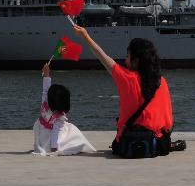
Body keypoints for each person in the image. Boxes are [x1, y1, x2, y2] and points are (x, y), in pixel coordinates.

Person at [71, 24, 183, 156]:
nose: (125, 60)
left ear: (136, 61)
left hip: (128, 144)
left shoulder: (126, 78)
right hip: (158, 145)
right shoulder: (161, 81)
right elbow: (169, 123)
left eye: (128, 56)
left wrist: (86, 36)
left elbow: (103, 57)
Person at [31, 62, 96, 156]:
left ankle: (42, 145)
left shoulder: (45, 104)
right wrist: (54, 149)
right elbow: (55, 133)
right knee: (72, 131)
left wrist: (46, 75)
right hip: (49, 140)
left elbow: (45, 90)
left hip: (41, 132)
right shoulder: (57, 118)